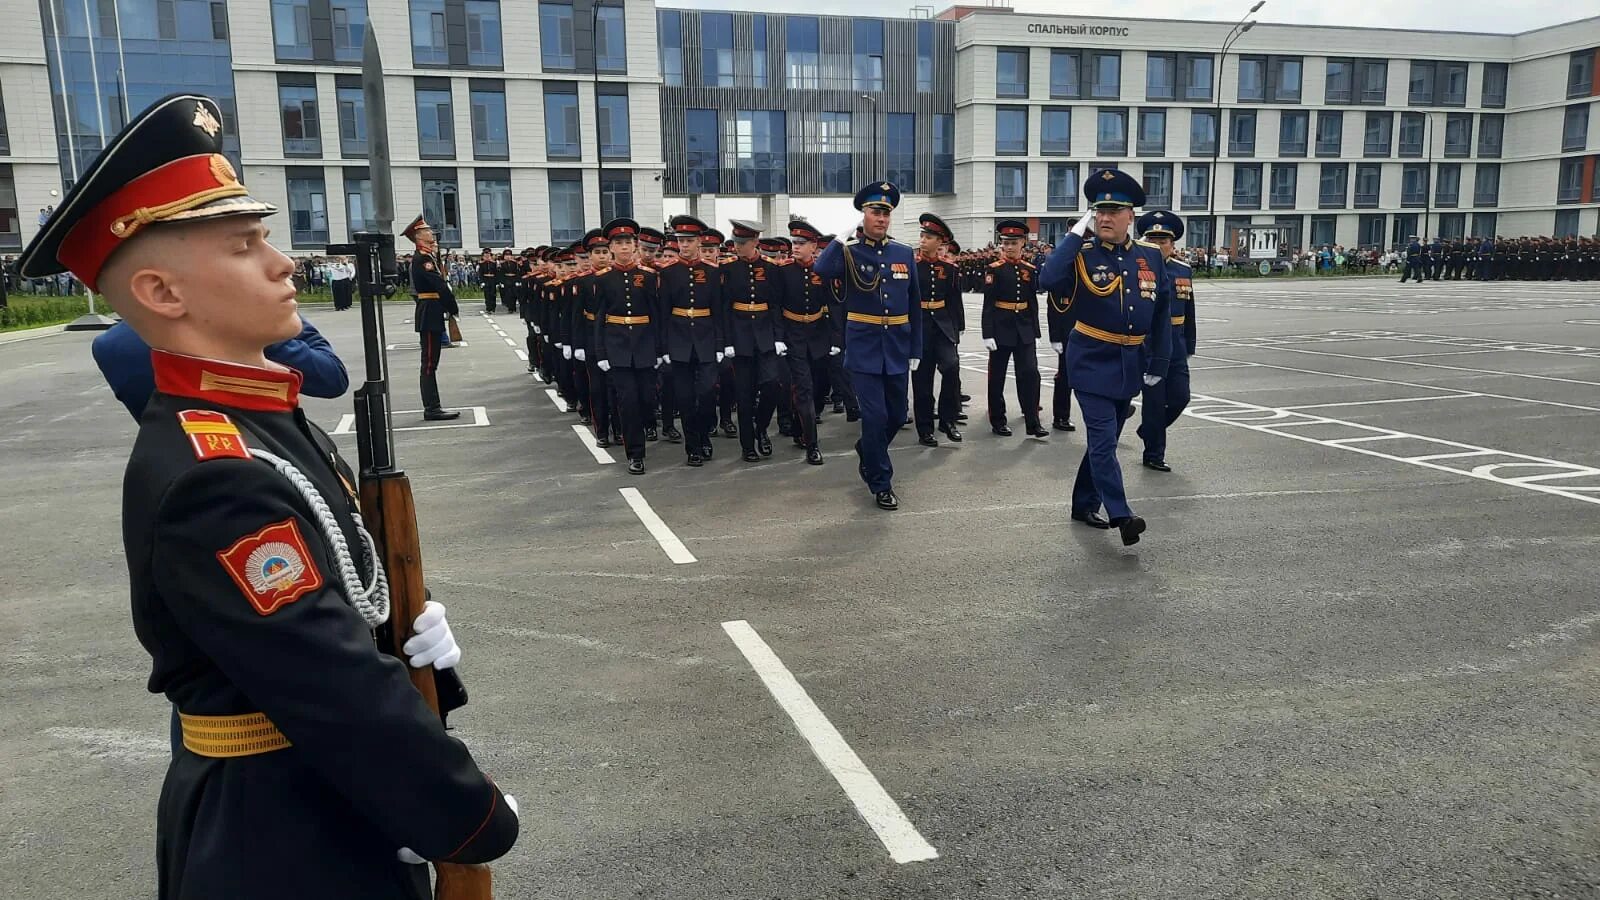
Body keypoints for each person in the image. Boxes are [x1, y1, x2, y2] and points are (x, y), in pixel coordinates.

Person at [17, 92, 518, 900]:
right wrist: (470, 816)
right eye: (247, 245)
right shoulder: (216, 471)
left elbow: (335, 595)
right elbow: (333, 690)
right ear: (164, 293)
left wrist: (404, 629)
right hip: (281, 840)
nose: (283, 263)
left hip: (318, 805)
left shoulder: (255, 419)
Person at [1039, 167, 1172, 546]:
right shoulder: (1081, 254)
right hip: (1091, 361)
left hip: (1130, 362)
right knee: (1101, 441)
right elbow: (1047, 280)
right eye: (1099, 211)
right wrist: (1073, 234)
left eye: (1114, 211)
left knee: (1107, 442)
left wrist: (1158, 363)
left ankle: (1083, 503)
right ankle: (1121, 514)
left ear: (1131, 216)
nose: (1105, 218)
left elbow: (1161, 313)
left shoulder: (1149, 256)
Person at [814, 181, 922, 511]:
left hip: (897, 347)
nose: (881, 219)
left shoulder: (903, 253)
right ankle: (880, 481)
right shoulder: (848, 252)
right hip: (864, 348)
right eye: (875, 212)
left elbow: (914, 304)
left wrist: (916, 349)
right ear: (863, 214)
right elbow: (820, 269)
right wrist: (840, 237)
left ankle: (868, 449)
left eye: (886, 213)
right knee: (874, 416)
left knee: (897, 415)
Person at [94, 317, 349, 420]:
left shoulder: (110, 345)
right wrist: (285, 318)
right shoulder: (240, 323)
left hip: (171, 469)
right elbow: (331, 376)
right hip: (256, 468)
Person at [591, 219, 664, 475]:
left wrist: (659, 350)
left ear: (635, 246)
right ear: (611, 247)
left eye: (628, 242)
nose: (623, 247)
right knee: (628, 401)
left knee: (647, 398)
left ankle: (645, 427)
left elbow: (656, 315)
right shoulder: (602, 279)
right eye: (618, 243)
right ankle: (636, 454)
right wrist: (601, 352)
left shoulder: (647, 276)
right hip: (617, 347)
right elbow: (600, 317)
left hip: (644, 345)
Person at [1132, 210, 1196, 473]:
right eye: (1153, 240)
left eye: (1164, 241)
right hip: (1150, 345)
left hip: (1176, 344)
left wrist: (1190, 343)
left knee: (1181, 397)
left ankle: (1148, 429)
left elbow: (1189, 309)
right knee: (1155, 403)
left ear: (1173, 244)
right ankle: (1154, 453)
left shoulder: (1183, 270)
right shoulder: (1138, 270)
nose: (1159, 245)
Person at [661, 215, 724, 466]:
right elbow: (663, 312)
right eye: (681, 241)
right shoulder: (668, 273)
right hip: (679, 341)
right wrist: (664, 347)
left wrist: (720, 344)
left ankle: (705, 433)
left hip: (707, 338)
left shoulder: (712, 272)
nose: (684, 245)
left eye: (689, 241)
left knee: (707, 393)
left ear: (699, 241)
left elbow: (719, 311)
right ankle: (693, 447)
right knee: (685, 397)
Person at [721, 220, 785, 463]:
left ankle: (761, 427)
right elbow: (724, 308)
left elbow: (776, 305)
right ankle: (747, 445)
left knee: (772, 385)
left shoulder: (771, 269)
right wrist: (726, 341)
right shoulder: (727, 269)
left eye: (743, 243)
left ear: (755, 243)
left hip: (766, 335)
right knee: (744, 394)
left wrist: (779, 337)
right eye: (736, 242)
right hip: (740, 338)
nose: (737, 247)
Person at [774, 218, 836, 465]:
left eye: (801, 243)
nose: (796, 247)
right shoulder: (783, 271)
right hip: (794, 335)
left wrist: (835, 337)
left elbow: (833, 304)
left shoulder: (824, 271)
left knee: (820, 388)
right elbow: (776, 306)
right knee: (804, 389)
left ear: (814, 246)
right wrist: (779, 337)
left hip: (819, 334)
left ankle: (802, 429)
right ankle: (813, 444)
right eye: (794, 242)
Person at [982, 220, 1047, 439]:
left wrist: (1036, 332)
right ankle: (998, 420)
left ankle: (1032, 420)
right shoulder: (994, 270)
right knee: (997, 377)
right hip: (1001, 328)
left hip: (1024, 329)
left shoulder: (1029, 269)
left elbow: (1033, 303)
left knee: (1029, 373)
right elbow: (988, 304)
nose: (1009, 247)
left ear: (1023, 243)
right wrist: (987, 333)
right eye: (1005, 243)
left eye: (1014, 243)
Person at [401, 215, 461, 420]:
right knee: (428, 363)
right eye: (427, 232)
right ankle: (431, 408)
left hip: (432, 309)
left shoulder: (428, 256)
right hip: (429, 310)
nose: (432, 234)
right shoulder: (423, 259)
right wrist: (452, 307)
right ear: (419, 237)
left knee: (430, 362)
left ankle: (433, 406)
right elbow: (439, 285)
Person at [911, 213, 963, 446]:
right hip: (919, 326)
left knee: (951, 368)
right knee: (922, 380)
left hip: (942, 325)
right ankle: (925, 429)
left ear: (940, 242)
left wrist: (957, 328)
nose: (923, 239)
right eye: (922, 235)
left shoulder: (949, 269)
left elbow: (954, 300)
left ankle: (947, 419)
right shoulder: (911, 266)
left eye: (929, 236)